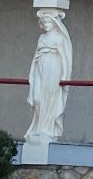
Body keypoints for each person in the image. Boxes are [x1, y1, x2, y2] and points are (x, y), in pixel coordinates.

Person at [25, 9, 73, 143]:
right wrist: (33, 72)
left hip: (54, 68)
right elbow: (35, 56)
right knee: (37, 98)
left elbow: (64, 56)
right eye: (44, 21)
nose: (46, 24)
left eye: (48, 21)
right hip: (40, 68)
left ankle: (46, 129)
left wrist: (64, 75)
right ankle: (38, 127)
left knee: (50, 98)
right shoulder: (41, 38)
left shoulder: (58, 37)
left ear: (54, 23)